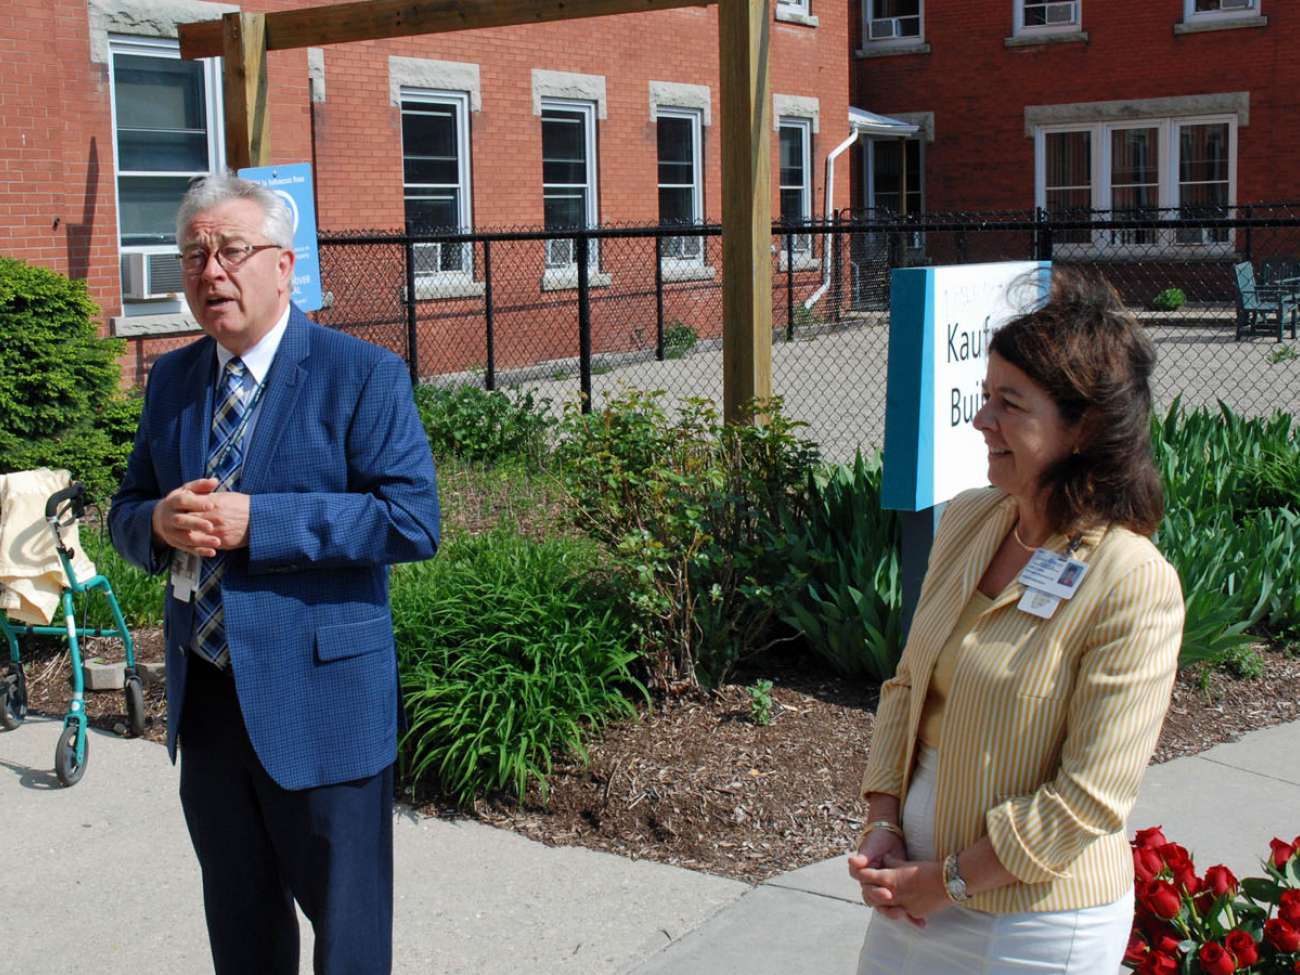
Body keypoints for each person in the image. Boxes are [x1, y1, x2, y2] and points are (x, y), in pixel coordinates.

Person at [109, 173, 440, 974]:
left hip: (324, 704)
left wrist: (261, 522)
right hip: (212, 700)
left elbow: (411, 520)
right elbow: (126, 509)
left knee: (348, 937)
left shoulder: (362, 374)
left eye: (232, 250)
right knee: (241, 925)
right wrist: (154, 522)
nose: (210, 271)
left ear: (285, 266)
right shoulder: (175, 382)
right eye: (194, 254)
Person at [848, 270, 1184, 974]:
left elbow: (1087, 799)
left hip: (1035, 923)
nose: (981, 420)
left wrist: (946, 880)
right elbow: (907, 685)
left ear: (1083, 427)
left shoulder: (1131, 579)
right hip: (912, 887)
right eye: (984, 396)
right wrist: (883, 822)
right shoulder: (973, 518)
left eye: (1010, 403)